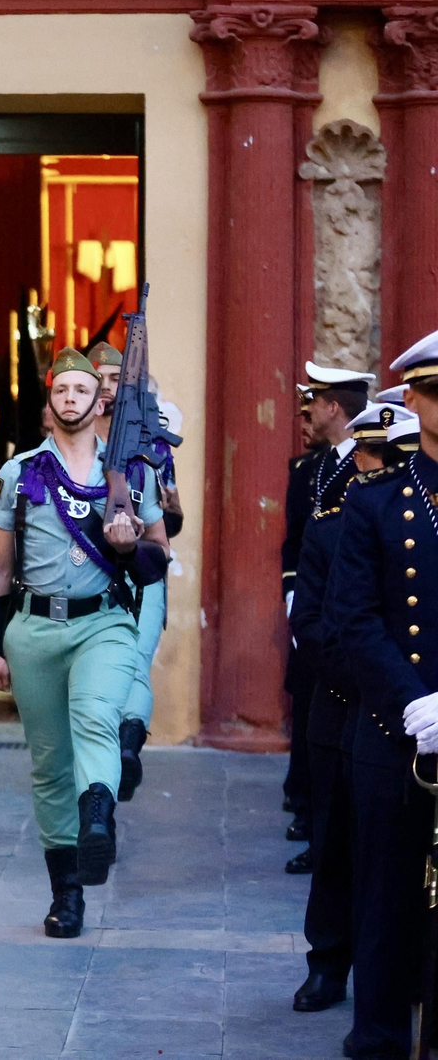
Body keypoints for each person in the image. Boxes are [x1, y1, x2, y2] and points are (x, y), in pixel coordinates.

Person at [0, 347, 169, 938]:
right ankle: (67, 892)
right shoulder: (19, 473)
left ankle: (98, 817)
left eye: (81, 391)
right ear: (50, 399)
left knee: (95, 714)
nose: (70, 400)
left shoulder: (133, 474)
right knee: (48, 764)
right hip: (34, 629)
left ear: (98, 401)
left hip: (104, 621)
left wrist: (127, 545)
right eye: (61, 391)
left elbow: (159, 557)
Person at [330, 333, 438, 1059]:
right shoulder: (374, 503)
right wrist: (415, 701)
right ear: (413, 401)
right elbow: (353, 618)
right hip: (396, 725)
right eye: (435, 393)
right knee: (387, 894)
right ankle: (379, 1036)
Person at [289, 402, 412, 1020]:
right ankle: (327, 963)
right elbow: (311, 624)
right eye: (376, 457)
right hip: (343, 711)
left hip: (411, 718)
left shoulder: (423, 527)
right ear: (357, 457)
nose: (384, 469)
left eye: (398, 459)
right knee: (336, 847)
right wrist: (371, 686)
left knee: (398, 862)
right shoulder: (331, 526)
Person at [283, 362, 373, 870]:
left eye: (314, 401)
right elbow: (298, 544)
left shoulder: (356, 467)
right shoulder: (319, 467)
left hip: (342, 620)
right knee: (316, 724)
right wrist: (296, 601)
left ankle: (327, 838)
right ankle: (319, 831)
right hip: (316, 613)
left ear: (334, 406)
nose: (308, 410)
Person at [86, 342, 181, 802]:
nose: (105, 389)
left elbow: (169, 525)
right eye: (97, 380)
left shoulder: (152, 447)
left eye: (112, 380)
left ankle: (127, 750)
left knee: (135, 663)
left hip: (142, 568)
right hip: (93, 572)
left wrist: (167, 510)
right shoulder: (73, 443)